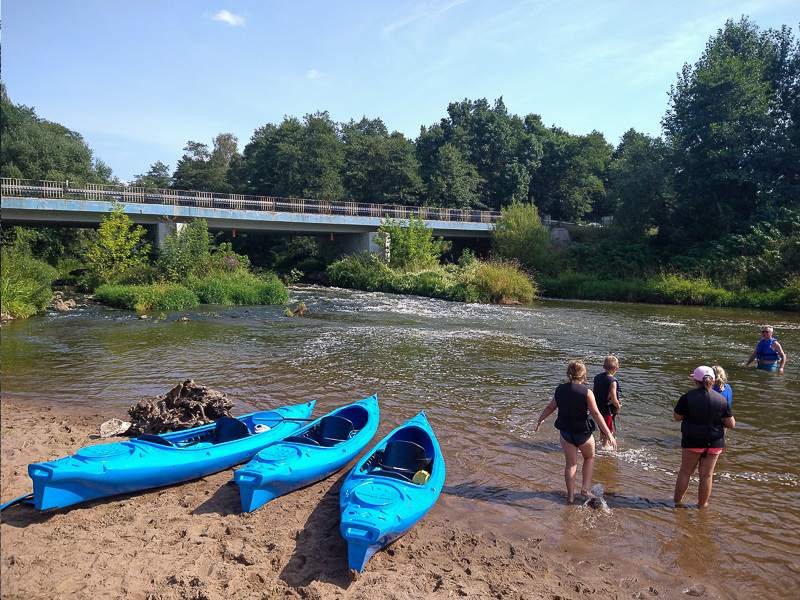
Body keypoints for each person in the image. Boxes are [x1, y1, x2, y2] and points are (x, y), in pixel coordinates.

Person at [535, 360, 617, 503]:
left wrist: (540, 420)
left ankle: (571, 496)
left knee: (571, 464)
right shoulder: (587, 392)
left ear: (568, 373)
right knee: (589, 457)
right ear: (584, 374)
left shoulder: (560, 389)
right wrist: (609, 434)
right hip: (583, 433)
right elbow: (596, 414)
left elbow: (550, 407)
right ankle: (585, 489)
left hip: (566, 433)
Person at [673, 366, 735, 508]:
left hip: (692, 440)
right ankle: (702, 505)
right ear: (712, 381)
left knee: (685, 472)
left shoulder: (687, 397)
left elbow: (677, 417)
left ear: (695, 380)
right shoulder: (721, 399)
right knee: (707, 475)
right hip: (714, 443)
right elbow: (731, 424)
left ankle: (676, 502)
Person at [592, 355, 621, 449]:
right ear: (617, 368)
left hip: (596, 406)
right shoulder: (613, 381)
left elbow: (594, 392)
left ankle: (601, 442)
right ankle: (605, 446)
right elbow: (613, 398)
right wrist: (618, 405)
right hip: (606, 409)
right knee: (608, 429)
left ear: (603, 367)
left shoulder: (597, 377)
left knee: (602, 426)